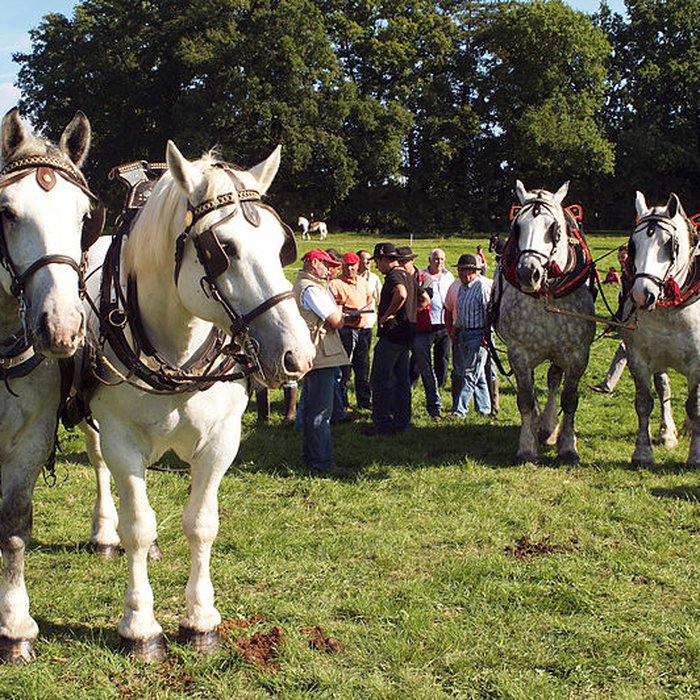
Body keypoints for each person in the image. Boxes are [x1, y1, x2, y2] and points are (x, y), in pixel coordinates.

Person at [293, 249, 350, 476]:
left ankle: (312, 458)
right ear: (313, 262)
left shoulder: (303, 286)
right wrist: (341, 311)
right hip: (321, 354)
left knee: (312, 410)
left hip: (314, 353)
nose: (330, 269)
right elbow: (336, 321)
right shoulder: (312, 289)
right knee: (321, 413)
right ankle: (321, 463)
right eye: (326, 264)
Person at [364, 242, 418, 436]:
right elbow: (424, 300)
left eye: (377, 261)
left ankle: (381, 424)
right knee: (402, 381)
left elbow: (401, 294)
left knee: (379, 379)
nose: (376, 266)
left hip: (393, 335)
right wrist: (409, 314)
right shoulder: (409, 275)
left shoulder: (394, 275)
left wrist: (387, 315)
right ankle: (402, 423)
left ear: (383, 259)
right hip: (407, 335)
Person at [444, 254, 492, 417]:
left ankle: (459, 410)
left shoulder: (483, 287)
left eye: (467, 271)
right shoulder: (462, 288)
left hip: (478, 334)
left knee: (470, 373)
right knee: (477, 376)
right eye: (461, 270)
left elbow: (489, 313)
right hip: (463, 333)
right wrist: (455, 329)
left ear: (475, 271)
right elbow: (461, 312)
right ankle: (485, 409)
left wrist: (486, 336)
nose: (464, 274)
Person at [330, 251, 373, 413]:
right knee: (344, 369)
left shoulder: (362, 282)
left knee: (362, 367)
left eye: (352, 266)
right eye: (347, 266)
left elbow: (369, 299)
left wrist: (363, 311)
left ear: (357, 266)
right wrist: (346, 315)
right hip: (345, 330)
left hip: (362, 329)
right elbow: (332, 307)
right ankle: (343, 403)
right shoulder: (336, 283)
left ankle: (364, 401)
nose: (350, 269)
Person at [421, 248, 454, 388]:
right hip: (428, 321)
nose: (439, 262)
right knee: (420, 356)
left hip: (445, 322)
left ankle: (440, 384)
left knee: (443, 356)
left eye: (441, 259)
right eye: (436, 259)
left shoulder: (449, 276)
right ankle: (412, 381)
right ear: (429, 260)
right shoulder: (423, 276)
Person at [356, 249, 382, 410]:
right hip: (351, 324)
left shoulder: (374, 279)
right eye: (364, 260)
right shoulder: (351, 278)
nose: (367, 263)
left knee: (364, 362)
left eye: (369, 260)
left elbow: (380, 300)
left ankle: (364, 399)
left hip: (368, 324)